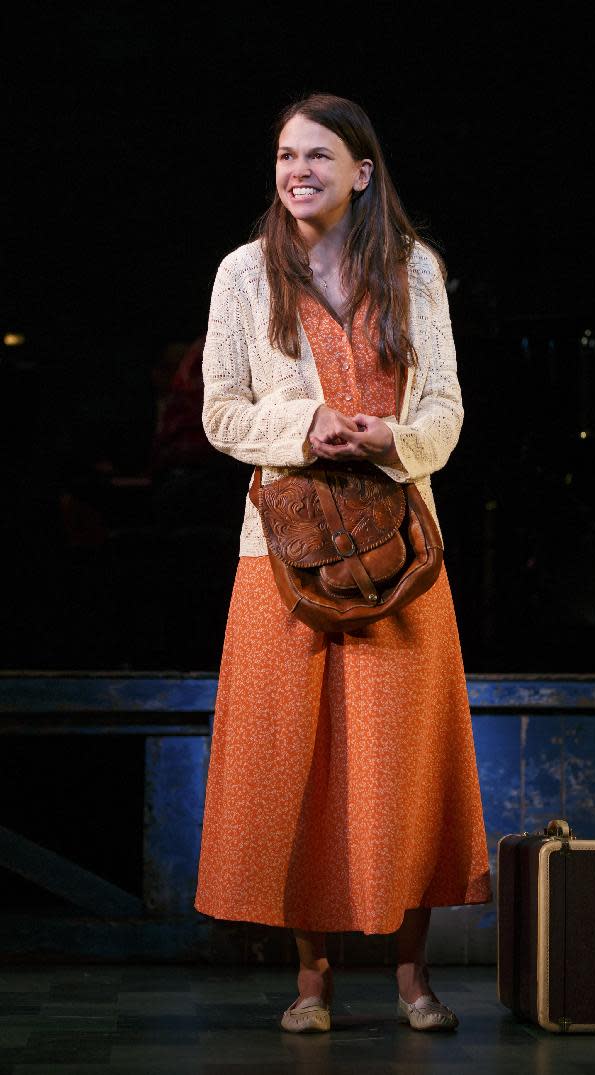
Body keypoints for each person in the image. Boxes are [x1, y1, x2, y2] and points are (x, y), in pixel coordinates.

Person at [194, 93, 491, 1033]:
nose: (297, 172)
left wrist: (389, 434)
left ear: (362, 172)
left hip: (399, 548)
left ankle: (412, 978)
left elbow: (443, 404)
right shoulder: (245, 274)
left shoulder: (412, 269)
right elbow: (219, 411)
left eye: (318, 156)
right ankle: (312, 981)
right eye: (285, 155)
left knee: (400, 761)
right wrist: (303, 424)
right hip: (283, 553)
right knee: (296, 761)